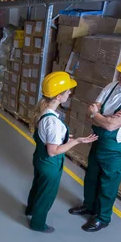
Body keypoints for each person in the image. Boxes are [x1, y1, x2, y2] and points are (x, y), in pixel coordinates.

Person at [69, 47, 121, 232]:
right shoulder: (112, 86)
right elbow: (91, 110)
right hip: (98, 139)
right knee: (92, 176)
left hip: (115, 147)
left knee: (108, 183)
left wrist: (98, 116)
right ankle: (89, 206)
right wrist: (102, 116)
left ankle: (103, 217)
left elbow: (111, 125)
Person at [26, 72, 97, 233]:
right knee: (46, 195)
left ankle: (30, 210)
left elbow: (47, 138)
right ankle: (38, 224)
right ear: (58, 96)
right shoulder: (53, 122)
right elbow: (53, 151)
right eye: (67, 91)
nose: (69, 93)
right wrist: (75, 141)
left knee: (37, 187)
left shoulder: (43, 113)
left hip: (39, 158)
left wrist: (63, 137)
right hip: (50, 164)